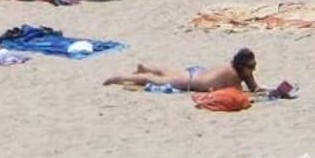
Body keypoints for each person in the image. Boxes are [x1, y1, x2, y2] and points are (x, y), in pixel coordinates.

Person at [105, 49, 261, 93]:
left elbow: (254, 87)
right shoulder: (233, 76)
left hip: (194, 73)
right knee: (155, 80)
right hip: (192, 81)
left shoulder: (237, 69)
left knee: (169, 72)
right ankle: (121, 77)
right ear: (242, 67)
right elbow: (242, 93)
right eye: (251, 67)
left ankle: (145, 68)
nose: (253, 69)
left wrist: (274, 90)